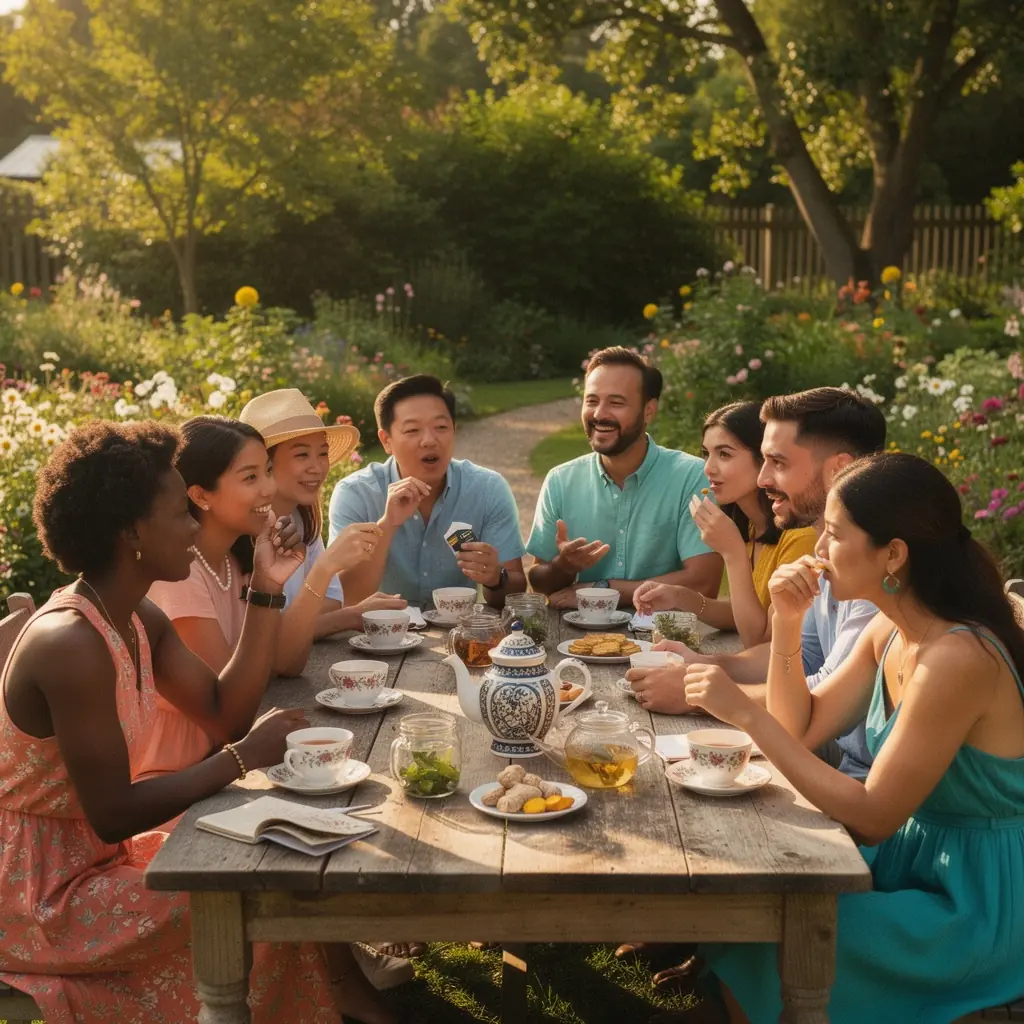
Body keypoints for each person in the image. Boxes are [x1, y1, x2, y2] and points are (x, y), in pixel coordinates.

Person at [0, 420, 391, 1024]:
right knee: (257, 891)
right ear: (132, 531)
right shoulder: (71, 643)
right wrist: (243, 758)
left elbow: (225, 711)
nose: (191, 526)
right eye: (178, 512)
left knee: (274, 862)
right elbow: (113, 812)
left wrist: (266, 585)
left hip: (104, 860)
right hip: (46, 898)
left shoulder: (135, 615)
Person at [683, 452, 1024, 1023]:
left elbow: (871, 816)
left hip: (975, 899)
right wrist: (788, 623)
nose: (818, 551)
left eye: (834, 536)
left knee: (772, 939)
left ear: (892, 554)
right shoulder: (891, 628)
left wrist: (746, 715)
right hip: (912, 860)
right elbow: (802, 729)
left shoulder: (958, 658)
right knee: (748, 904)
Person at [628, 387, 886, 780]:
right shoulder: (826, 553)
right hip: (835, 765)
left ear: (838, 469)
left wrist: (698, 695)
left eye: (777, 462)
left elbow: (813, 703)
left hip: (857, 780)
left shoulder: (874, 575)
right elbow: (800, 662)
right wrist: (707, 664)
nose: (764, 478)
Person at [137, 416, 381, 777]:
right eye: (250, 477)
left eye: (267, 471)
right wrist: (290, 583)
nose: (269, 488)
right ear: (200, 495)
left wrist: (270, 583)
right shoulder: (180, 578)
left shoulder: (234, 562)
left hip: (227, 758)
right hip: (176, 776)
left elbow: (289, 663)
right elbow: (232, 710)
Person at [527, 346, 722, 609]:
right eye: (592, 400)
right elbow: (539, 584)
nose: (599, 414)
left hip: (665, 641)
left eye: (616, 402)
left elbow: (703, 583)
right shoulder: (560, 481)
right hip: (577, 640)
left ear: (649, 412)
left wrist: (604, 589)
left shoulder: (691, 477)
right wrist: (563, 567)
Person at [239, 388, 408, 676]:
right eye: (302, 455)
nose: (317, 467)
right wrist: (349, 616)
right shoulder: (241, 535)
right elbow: (265, 644)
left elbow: (329, 602)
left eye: (323, 454)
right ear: (264, 463)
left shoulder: (303, 519)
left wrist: (336, 615)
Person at [328, 374, 527, 608]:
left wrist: (495, 579)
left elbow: (515, 590)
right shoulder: (356, 494)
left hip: (457, 633)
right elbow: (346, 597)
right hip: (378, 636)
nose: (429, 440)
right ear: (386, 441)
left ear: (454, 430)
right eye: (412, 430)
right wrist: (388, 524)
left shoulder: (487, 489)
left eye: (441, 427)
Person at [633, 401, 817, 648]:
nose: (708, 468)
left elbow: (759, 640)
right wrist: (680, 596)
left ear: (763, 458)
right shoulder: (752, 528)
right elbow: (744, 613)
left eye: (724, 454)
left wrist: (732, 553)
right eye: (706, 454)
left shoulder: (800, 537)